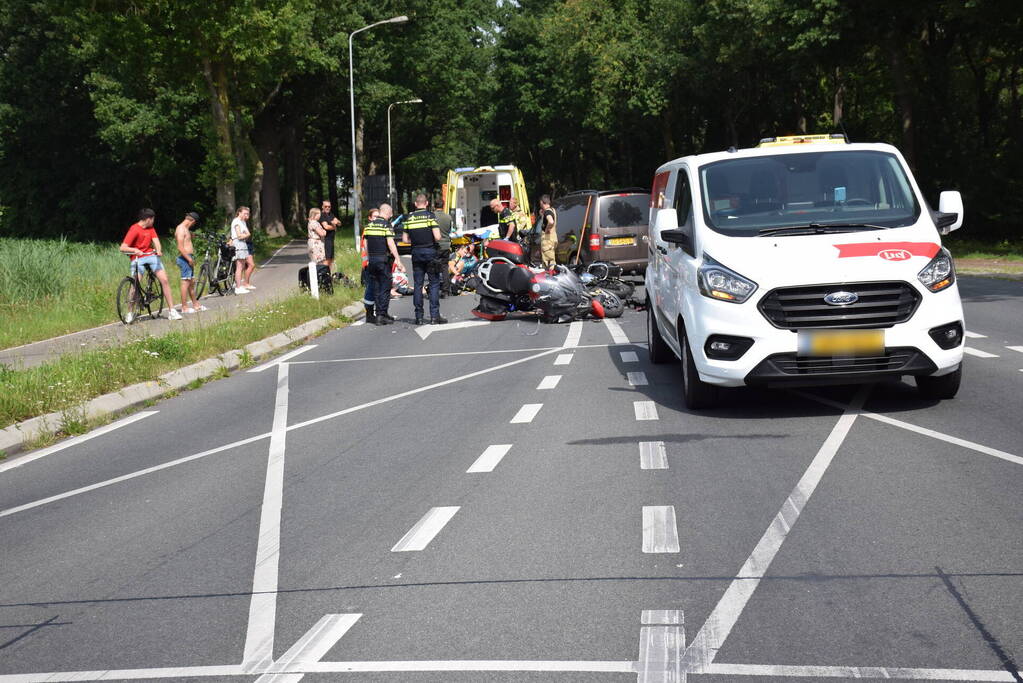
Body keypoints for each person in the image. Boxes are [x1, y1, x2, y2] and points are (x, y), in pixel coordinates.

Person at [119, 208, 182, 320]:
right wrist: (135, 250)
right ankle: (130, 312)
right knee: (134, 284)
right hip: (138, 257)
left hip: (151, 256)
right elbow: (123, 247)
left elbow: (156, 241)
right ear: (148, 219)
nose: (153, 221)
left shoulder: (150, 228)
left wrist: (158, 250)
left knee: (164, 280)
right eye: (153, 219)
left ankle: (172, 311)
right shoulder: (134, 229)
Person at [403, 193, 447, 325]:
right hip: (430, 253)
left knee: (418, 285)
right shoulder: (430, 216)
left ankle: (419, 317)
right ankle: (434, 316)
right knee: (433, 284)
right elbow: (438, 237)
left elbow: (405, 240)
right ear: (427, 203)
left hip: (416, 253)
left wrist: (416, 240)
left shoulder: (409, 218)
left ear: (416, 204)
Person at [363, 203, 404, 325]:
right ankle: (382, 315)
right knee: (385, 288)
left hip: (372, 261)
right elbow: (391, 243)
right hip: (383, 260)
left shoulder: (369, 226)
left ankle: (380, 314)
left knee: (376, 287)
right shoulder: (386, 225)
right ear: (388, 213)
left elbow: (365, 244)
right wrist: (398, 259)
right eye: (390, 214)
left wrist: (370, 257)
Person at [174, 211, 207, 314]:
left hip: (188, 257)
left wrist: (192, 236)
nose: (194, 225)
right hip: (185, 258)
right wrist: (189, 258)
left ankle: (196, 304)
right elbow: (180, 247)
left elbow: (186, 241)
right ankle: (184, 307)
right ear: (192, 220)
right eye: (194, 223)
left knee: (191, 282)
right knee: (185, 283)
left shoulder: (186, 229)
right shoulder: (181, 229)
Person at [231, 206, 254, 294]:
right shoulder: (236, 221)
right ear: (239, 213)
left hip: (243, 244)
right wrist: (246, 235)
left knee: (242, 266)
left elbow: (247, 233)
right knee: (239, 266)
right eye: (245, 213)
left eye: (247, 214)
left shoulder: (242, 222)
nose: (246, 215)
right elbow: (239, 235)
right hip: (239, 244)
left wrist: (246, 234)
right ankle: (238, 287)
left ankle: (240, 285)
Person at [319, 200, 341, 272]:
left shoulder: (331, 214)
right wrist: (334, 226)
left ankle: (330, 275)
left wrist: (336, 222)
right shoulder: (322, 215)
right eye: (326, 206)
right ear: (322, 207)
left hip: (331, 239)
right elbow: (326, 227)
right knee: (327, 259)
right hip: (326, 240)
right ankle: (324, 274)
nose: (327, 208)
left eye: (329, 206)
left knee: (331, 259)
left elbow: (339, 223)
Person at [538, 194, 558, 268]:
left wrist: (547, 229)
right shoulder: (552, 210)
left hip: (547, 240)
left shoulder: (547, 212)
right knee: (551, 260)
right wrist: (542, 215)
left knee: (548, 263)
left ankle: (550, 276)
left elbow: (551, 221)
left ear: (542, 202)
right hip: (553, 239)